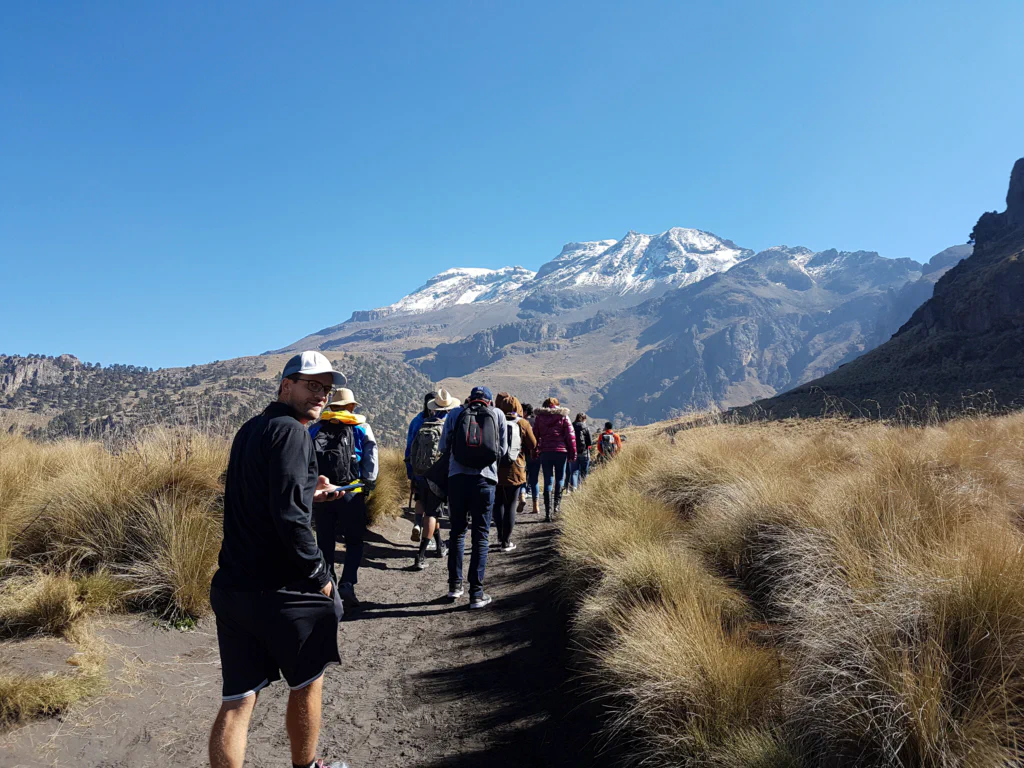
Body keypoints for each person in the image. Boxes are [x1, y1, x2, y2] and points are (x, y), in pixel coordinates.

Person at [208, 350, 351, 768]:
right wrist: (321, 575)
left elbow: (263, 496)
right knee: (307, 681)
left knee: (238, 699)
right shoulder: (292, 433)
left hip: (234, 585)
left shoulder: (251, 429)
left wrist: (309, 492)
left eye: (326, 389)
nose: (321, 395)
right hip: (282, 589)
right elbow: (290, 519)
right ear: (286, 385)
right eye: (312, 385)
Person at [309, 387, 378, 608]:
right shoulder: (361, 427)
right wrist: (368, 483)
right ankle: (347, 584)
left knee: (325, 542)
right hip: (351, 491)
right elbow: (371, 457)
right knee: (354, 541)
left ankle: (328, 587)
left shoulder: (316, 428)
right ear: (351, 406)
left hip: (323, 494)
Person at [439, 385, 507, 608]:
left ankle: (454, 586)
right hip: (485, 481)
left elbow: (443, 446)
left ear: (469, 399)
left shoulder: (455, 414)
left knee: (457, 532)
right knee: (481, 536)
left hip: (457, 479)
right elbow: (503, 450)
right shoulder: (497, 414)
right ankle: (476, 594)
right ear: (489, 401)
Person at [411, 389, 460, 570]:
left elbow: (412, 449)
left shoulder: (424, 424)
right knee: (432, 514)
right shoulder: (447, 426)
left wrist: (413, 473)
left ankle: (439, 547)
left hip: (420, 473)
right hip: (436, 477)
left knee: (431, 510)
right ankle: (420, 556)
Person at [494, 392, 537, 552]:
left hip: (496, 468)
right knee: (510, 505)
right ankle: (506, 542)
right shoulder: (522, 423)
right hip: (516, 468)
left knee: (498, 503)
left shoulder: (495, 420)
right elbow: (533, 444)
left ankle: (500, 536)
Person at [532, 397, 576, 521]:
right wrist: (573, 453)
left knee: (548, 480)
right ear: (557, 405)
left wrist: (534, 451)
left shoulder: (539, 417)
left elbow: (535, 436)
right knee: (560, 478)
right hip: (561, 452)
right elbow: (571, 436)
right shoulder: (563, 416)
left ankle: (548, 513)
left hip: (545, 452)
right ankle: (556, 507)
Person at [405, 391, 438, 543]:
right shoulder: (442, 420)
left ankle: (417, 523)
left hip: (418, 469)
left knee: (419, 498)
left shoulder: (417, 420)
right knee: (433, 509)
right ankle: (430, 541)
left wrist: (410, 471)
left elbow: (409, 447)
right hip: (436, 471)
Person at [522, 403, 541, 515]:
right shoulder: (537, 421)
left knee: (522, 477)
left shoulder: (522, 422)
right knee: (534, 480)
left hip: (523, 454)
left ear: (525, 412)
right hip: (536, 454)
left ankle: (522, 495)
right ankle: (536, 506)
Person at [568, 412, 593, 491]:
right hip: (584, 453)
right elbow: (590, 442)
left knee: (574, 471)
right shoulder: (586, 427)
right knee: (584, 472)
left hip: (573, 453)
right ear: (584, 419)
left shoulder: (571, 427)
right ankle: (582, 489)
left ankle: (574, 487)